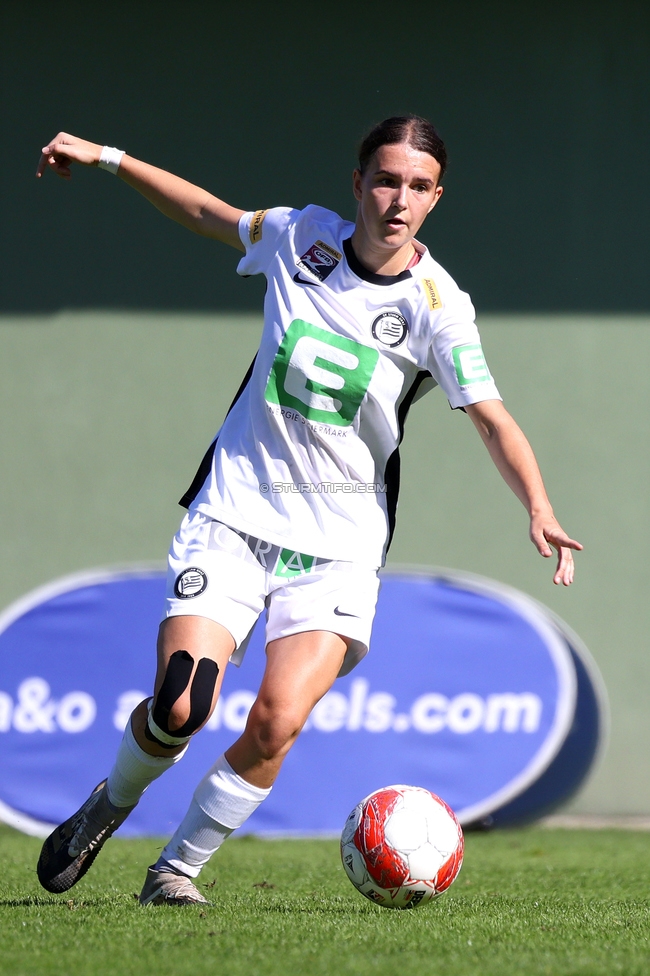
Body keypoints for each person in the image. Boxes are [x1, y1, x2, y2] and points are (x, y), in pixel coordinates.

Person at [34, 116, 582, 906]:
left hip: (340, 543)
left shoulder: (440, 307)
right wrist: (109, 157)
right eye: (386, 180)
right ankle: (108, 806)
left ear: (436, 199)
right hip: (235, 512)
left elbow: (492, 417)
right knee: (181, 704)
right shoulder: (299, 239)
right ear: (358, 183)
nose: (399, 200)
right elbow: (204, 213)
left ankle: (175, 871)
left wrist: (538, 504)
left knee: (277, 719)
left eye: (418, 187)